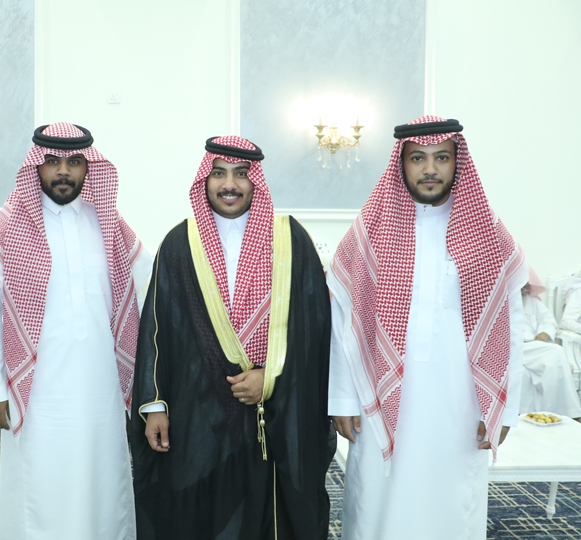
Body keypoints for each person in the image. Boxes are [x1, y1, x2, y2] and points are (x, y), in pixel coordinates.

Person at [328, 117, 527, 540]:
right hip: (376, 397)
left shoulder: (489, 236)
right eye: (418, 158)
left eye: (442, 158)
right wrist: (342, 398)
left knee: (450, 505)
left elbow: (511, 326)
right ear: (401, 164)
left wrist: (504, 407)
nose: (430, 169)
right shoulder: (369, 232)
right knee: (377, 502)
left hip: (460, 402)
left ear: (458, 163)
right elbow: (342, 321)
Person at [130, 136, 334, 540]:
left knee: (271, 511)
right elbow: (156, 327)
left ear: (255, 180)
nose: (230, 184)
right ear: (204, 181)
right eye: (219, 173)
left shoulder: (291, 240)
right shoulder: (180, 243)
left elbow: (314, 328)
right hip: (197, 414)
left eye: (241, 174)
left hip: (275, 409)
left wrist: (269, 377)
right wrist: (154, 406)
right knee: (203, 513)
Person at [0, 123, 149, 539]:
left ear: (89, 168)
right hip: (37, 390)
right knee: (40, 485)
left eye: (74, 162)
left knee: (103, 478)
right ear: (36, 166)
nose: (63, 171)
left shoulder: (108, 224)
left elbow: (147, 290)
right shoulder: (6, 229)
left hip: (100, 384)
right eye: (52, 161)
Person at [520, 269, 581, 418]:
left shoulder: (532, 301)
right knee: (556, 351)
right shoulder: (500, 301)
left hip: (534, 346)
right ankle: (571, 414)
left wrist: (543, 335)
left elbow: (549, 321)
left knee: (552, 363)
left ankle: (549, 415)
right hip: (512, 347)